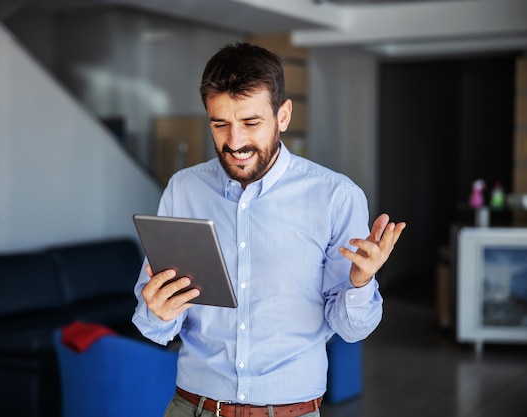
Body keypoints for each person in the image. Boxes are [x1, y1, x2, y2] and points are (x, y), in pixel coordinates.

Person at [132, 42, 406, 417]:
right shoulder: (183, 189)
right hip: (192, 406)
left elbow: (351, 330)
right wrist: (158, 311)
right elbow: (156, 328)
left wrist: (360, 284)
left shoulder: (336, 197)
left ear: (283, 115)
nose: (235, 141)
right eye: (220, 124)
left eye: (250, 122)